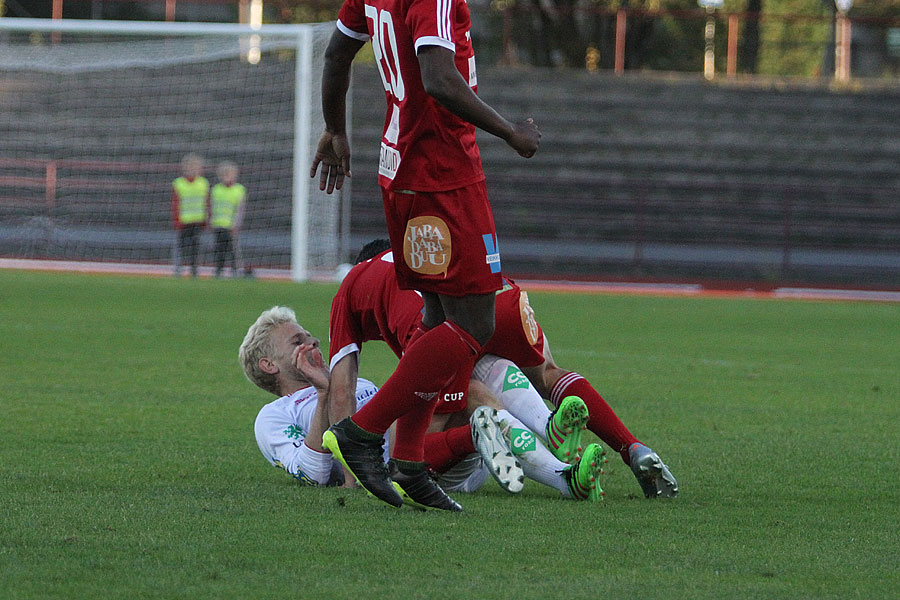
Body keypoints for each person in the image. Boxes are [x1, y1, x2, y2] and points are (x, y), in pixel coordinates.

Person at [309, 0, 542, 510]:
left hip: (404, 171)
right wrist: (510, 132)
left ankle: (410, 459)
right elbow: (438, 77)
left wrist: (337, 129)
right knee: (474, 325)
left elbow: (336, 56)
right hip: (443, 176)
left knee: (435, 319)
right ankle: (363, 432)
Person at [328, 240, 678, 499]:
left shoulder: (352, 286)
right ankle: (627, 445)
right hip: (499, 294)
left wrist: (350, 477)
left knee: (423, 438)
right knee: (545, 374)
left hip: (438, 321)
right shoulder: (416, 251)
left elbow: (341, 389)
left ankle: (561, 476)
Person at [239, 306, 607, 506]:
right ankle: (503, 440)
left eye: (309, 335)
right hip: (403, 467)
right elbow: (314, 474)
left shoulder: (354, 385)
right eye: (297, 342)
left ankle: (558, 464)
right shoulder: (273, 417)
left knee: (473, 377)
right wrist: (323, 394)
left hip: (432, 446)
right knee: (448, 390)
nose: (312, 342)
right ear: (269, 365)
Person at [171, 153, 209, 278]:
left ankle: (194, 269)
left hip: (198, 221)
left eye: (195, 167)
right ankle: (178, 268)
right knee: (180, 246)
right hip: (183, 221)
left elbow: (207, 202)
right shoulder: (178, 183)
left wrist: (206, 220)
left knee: (196, 247)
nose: (192, 169)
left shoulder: (203, 183)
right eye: (189, 167)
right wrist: (177, 220)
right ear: (184, 168)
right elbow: (175, 203)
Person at [209, 161, 246, 278]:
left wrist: (236, 225)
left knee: (233, 250)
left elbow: (240, 210)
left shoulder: (239, 190)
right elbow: (212, 206)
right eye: (224, 174)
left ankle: (235, 271)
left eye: (229, 174)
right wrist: (211, 221)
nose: (226, 176)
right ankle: (219, 271)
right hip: (218, 225)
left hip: (231, 226)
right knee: (219, 250)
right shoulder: (216, 189)